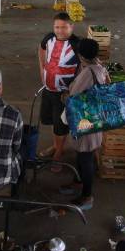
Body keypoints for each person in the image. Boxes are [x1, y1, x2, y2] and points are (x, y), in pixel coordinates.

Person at [59, 38, 109, 211]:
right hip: (95, 119)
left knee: (85, 157)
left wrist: (64, 95)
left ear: (80, 55)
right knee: (82, 155)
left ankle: (87, 196)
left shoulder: (88, 73)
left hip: (86, 123)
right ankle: (78, 182)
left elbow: (73, 95)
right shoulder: (98, 66)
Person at [38, 12, 80, 169]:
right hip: (48, 89)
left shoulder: (77, 44)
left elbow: (90, 65)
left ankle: (59, 153)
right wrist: (42, 69)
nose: (60, 31)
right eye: (57, 27)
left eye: (64, 27)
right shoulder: (49, 38)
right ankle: (56, 145)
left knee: (61, 125)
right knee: (51, 120)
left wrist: (75, 88)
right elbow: (41, 49)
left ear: (71, 26)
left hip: (64, 95)